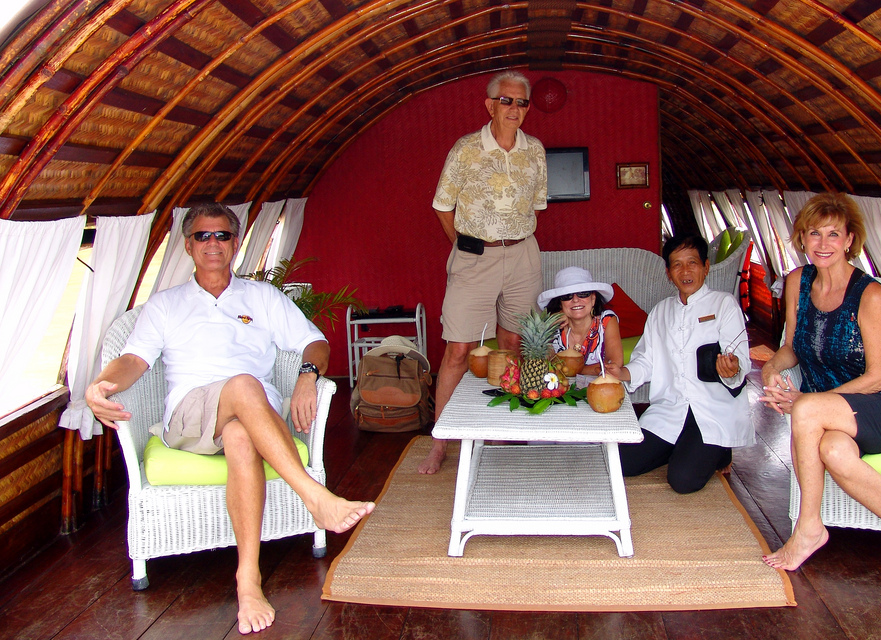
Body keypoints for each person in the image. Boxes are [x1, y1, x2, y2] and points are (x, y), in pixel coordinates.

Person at [85, 203, 375, 634]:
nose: (212, 244)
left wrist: (306, 379)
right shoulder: (166, 305)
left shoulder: (261, 297)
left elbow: (313, 342)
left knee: (241, 433)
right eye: (202, 236)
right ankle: (316, 497)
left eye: (221, 235)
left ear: (236, 243)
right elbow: (133, 360)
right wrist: (99, 385)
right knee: (242, 384)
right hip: (190, 418)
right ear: (188, 245)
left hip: (252, 412)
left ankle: (248, 580)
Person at [758, 192, 881, 591]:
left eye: (833, 234)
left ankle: (808, 528)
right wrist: (771, 366)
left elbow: (878, 376)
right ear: (802, 238)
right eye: (814, 234)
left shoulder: (869, 295)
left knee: (805, 412)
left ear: (849, 240)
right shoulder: (797, 282)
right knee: (834, 450)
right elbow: (793, 346)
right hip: (835, 412)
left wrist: (814, 403)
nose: (823, 244)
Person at [419, 70, 548, 474]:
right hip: (475, 258)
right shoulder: (466, 148)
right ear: (490, 105)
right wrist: (464, 243)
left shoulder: (536, 151)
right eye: (506, 100)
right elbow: (443, 205)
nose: (514, 108)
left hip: (523, 256)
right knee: (458, 350)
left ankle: (503, 432)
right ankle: (442, 441)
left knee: (513, 344)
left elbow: (537, 207)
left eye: (522, 102)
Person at [615, 234, 752, 494]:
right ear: (668, 272)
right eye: (677, 264)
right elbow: (646, 360)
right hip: (670, 410)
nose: (685, 271)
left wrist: (732, 369)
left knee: (683, 481)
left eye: (692, 263)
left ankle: (719, 451)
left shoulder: (724, 305)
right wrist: (622, 372)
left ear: (706, 267)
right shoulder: (661, 311)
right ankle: (684, 446)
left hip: (712, 411)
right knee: (623, 463)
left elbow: (741, 359)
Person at [537, 266, 624, 378]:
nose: (576, 300)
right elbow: (541, 365)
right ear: (560, 303)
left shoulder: (606, 320)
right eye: (567, 296)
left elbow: (614, 365)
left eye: (583, 293)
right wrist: (549, 327)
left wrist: (572, 369)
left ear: (593, 299)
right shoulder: (553, 326)